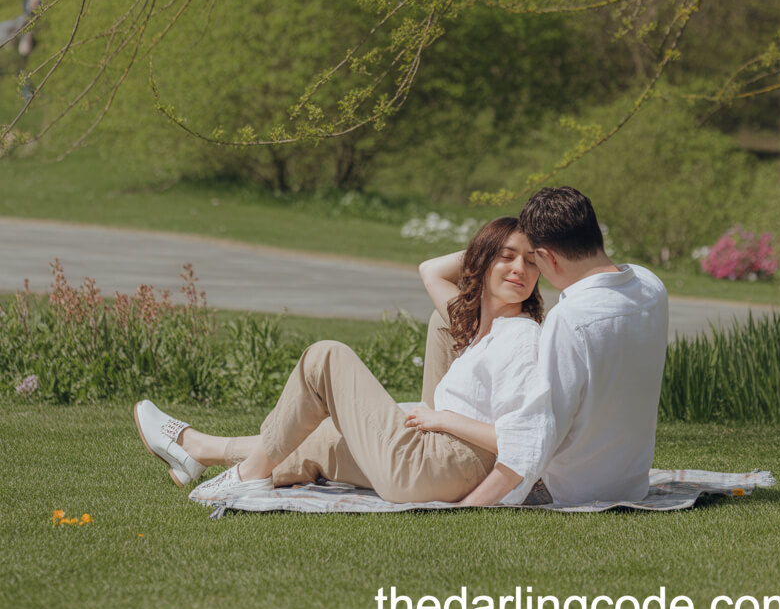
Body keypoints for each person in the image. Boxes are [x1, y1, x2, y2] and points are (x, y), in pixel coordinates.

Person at [133, 216, 545, 505]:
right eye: (507, 256)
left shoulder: (521, 336)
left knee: (325, 357)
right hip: (433, 466)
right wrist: (486, 247)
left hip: (444, 464)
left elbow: (521, 437)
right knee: (321, 436)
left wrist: (441, 421)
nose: (519, 269)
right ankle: (197, 449)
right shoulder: (478, 326)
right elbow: (430, 270)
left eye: (531, 261)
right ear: (484, 259)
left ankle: (249, 476)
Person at [457, 186, 669, 508]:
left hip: (568, 490)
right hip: (631, 484)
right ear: (593, 231)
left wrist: (469, 504)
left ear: (547, 257)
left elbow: (540, 431)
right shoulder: (651, 285)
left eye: (534, 260)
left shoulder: (570, 318)